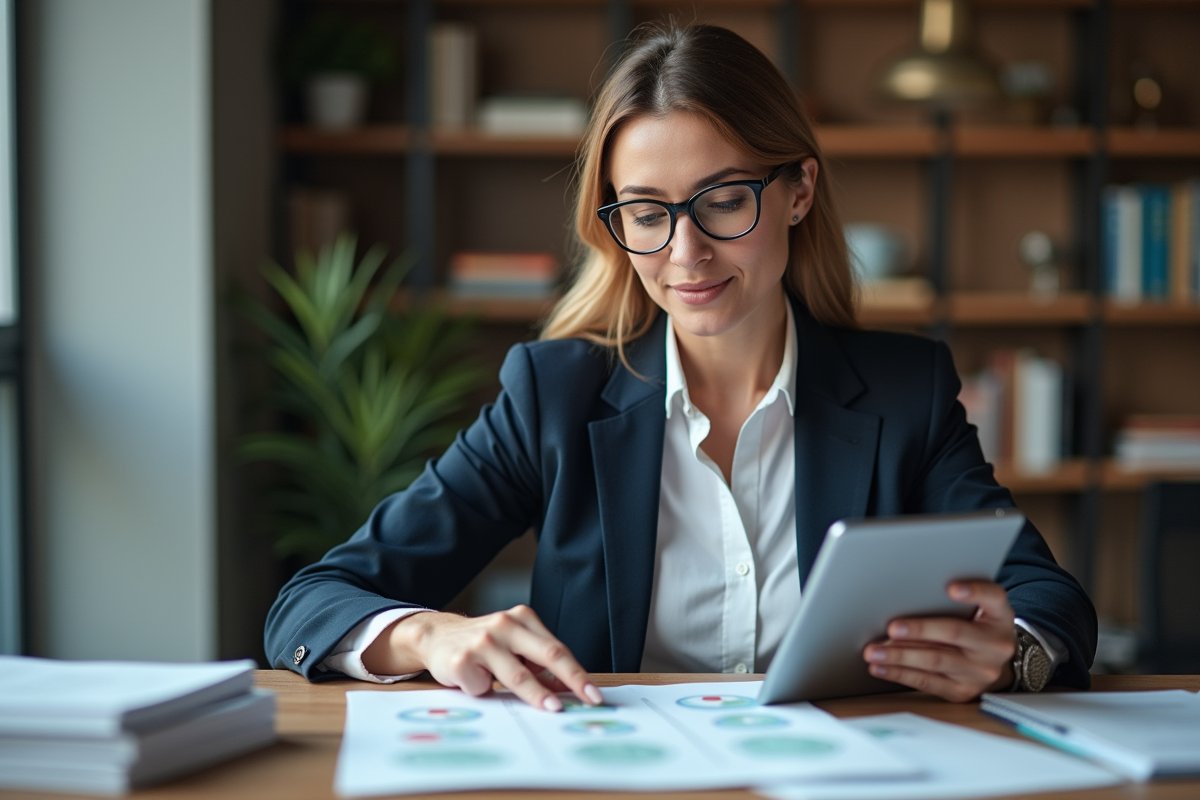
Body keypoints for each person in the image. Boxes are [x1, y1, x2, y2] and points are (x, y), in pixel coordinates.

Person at [264, 23, 1096, 711]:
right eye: (646, 213)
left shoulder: (904, 392)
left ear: (799, 190)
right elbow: (313, 601)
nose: (684, 253)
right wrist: (430, 634)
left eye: (724, 200)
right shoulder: (553, 397)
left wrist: (1009, 654)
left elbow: (1049, 599)